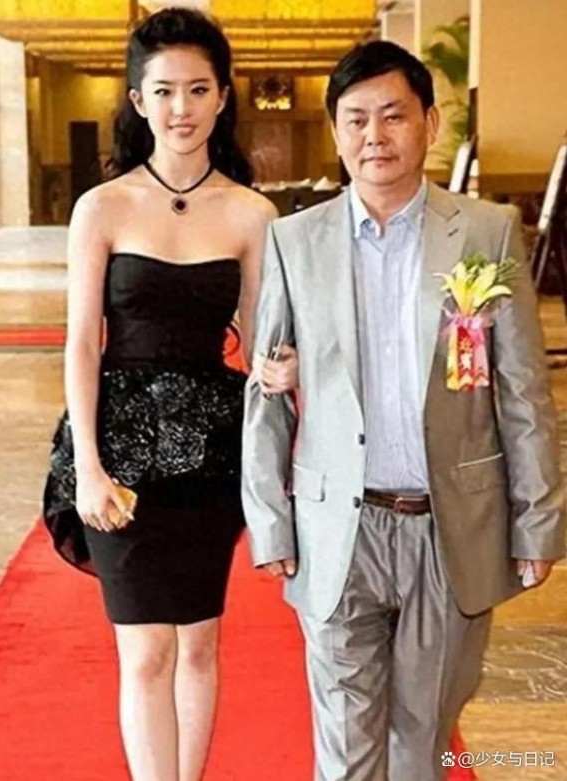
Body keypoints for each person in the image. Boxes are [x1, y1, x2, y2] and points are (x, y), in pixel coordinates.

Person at [242, 40, 565, 781]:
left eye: (393, 116)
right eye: (356, 119)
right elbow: (267, 392)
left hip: (447, 527)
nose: (374, 136)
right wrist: (270, 520)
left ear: (429, 122)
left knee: (421, 742)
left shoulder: (484, 233)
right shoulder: (295, 241)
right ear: (335, 131)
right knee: (345, 744)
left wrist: (537, 519)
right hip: (338, 528)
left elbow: (522, 391)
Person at [42, 9, 296, 781]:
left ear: (222, 97)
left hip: (212, 452)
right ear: (138, 100)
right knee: (147, 648)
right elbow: (82, 341)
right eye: (163, 91)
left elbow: (261, 336)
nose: (180, 107)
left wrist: (283, 370)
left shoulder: (252, 213)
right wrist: (89, 465)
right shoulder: (103, 206)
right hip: (120, 450)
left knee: (200, 642)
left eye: (197, 89)